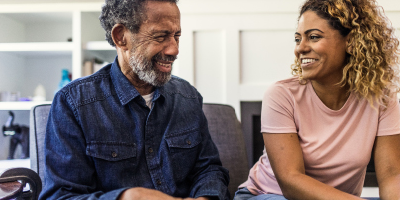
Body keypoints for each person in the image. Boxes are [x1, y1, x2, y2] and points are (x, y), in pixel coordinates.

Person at [39, 0, 230, 199]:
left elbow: (209, 170)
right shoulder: (73, 103)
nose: (174, 50)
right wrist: (127, 197)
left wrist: (205, 197)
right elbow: (61, 196)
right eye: (161, 36)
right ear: (121, 37)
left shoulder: (188, 97)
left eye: (176, 36)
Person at [235, 0, 400, 199]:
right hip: (269, 195)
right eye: (298, 39)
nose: (300, 48)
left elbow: (392, 175)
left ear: (352, 41)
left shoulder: (381, 98)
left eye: (313, 37)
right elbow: (290, 179)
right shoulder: (282, 94)